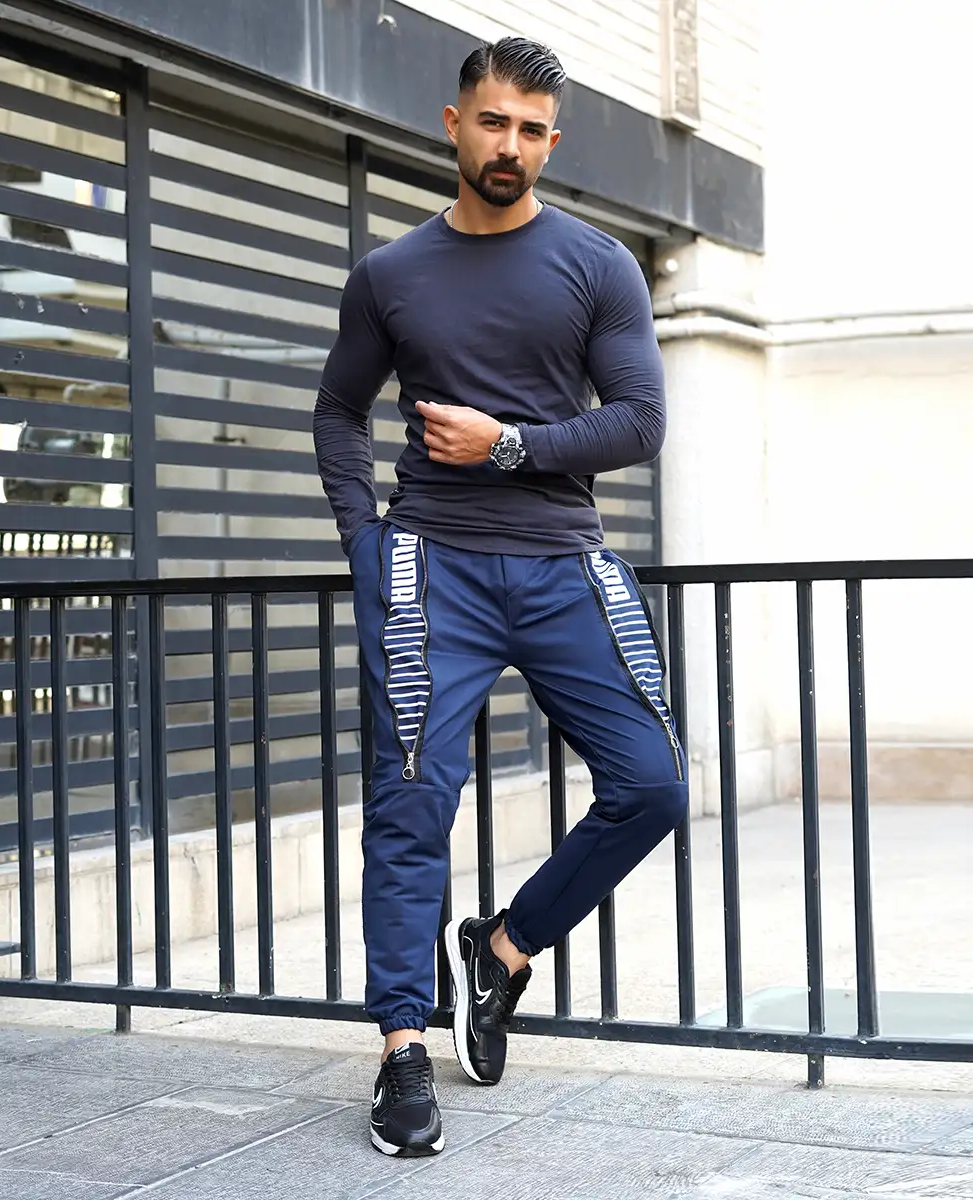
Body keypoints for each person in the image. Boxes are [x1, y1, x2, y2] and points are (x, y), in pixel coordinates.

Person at [312, 35, 689, 1158]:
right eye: (493, 122)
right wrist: (365, 544)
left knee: (653, 784)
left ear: (550, 141)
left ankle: (504, 949)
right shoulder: (390, 274)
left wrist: (509, 444)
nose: (510, 145)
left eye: (531, 130)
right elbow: (339, 411)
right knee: (410, 802)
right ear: (454, 123)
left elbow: (639, 421)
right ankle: (401, 1046)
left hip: (565, 560)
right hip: (434, 564)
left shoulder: (599, 264)